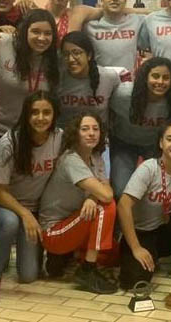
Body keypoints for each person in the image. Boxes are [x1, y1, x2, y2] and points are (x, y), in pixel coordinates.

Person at [0, 91, 63, 304]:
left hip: (31, 206)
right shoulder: (9, 142)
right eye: (35, 112)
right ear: (26, 114)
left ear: (54, 115)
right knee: (10, 222)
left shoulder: (60, 138)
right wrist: (26, 214)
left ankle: (4, 242)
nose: (41, 118)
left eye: (46, 112)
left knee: (27, 276)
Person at [117, 121, 171, 289]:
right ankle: (147, 255)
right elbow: (123, 205)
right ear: (161, 143)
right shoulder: (149, 168)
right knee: (134, 283)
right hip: (142, 232)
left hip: (166, 230)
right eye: (170, 139)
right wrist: (136, 248)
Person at [39, 112, 117, 293]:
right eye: (85, 129)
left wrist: (91, 197)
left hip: (75, 222)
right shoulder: (71, 159)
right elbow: (106, 197)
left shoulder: (96, 157)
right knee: (107, 208)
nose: (91, 133)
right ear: (75, 133)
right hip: (54, 231)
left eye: (95, 129)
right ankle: (87, 269)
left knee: (114, 254)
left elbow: (107, 188)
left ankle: (71, 258)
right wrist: (97, 195)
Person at [0, 9, 60, 172]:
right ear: (25, 31)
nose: (42, 38)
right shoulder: (4, 42)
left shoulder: (52, 58)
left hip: (26, 133)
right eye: (35, 32)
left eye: (48, 33)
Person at [109, 57, 171, 198]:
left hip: (154, 145)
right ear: (145, 77)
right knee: (120, 191)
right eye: (155, 76)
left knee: (159, 190)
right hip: (124, 143)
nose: (160, 82)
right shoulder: (124, 95)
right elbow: (108, 114)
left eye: (166, 78)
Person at [57, 30, 123, 127]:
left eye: (76, 53)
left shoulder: (109, 78)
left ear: (89, 55)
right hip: (67, 137)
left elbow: (117, 111)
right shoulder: (58, 78)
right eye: (66, 54)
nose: (71, 59)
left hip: (97, 137)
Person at [84, 0, 145, 71]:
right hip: (101, 83)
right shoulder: (89, 27)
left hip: (128, 83)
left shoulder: (136, 21)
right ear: (101, 0)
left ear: (125, 1)